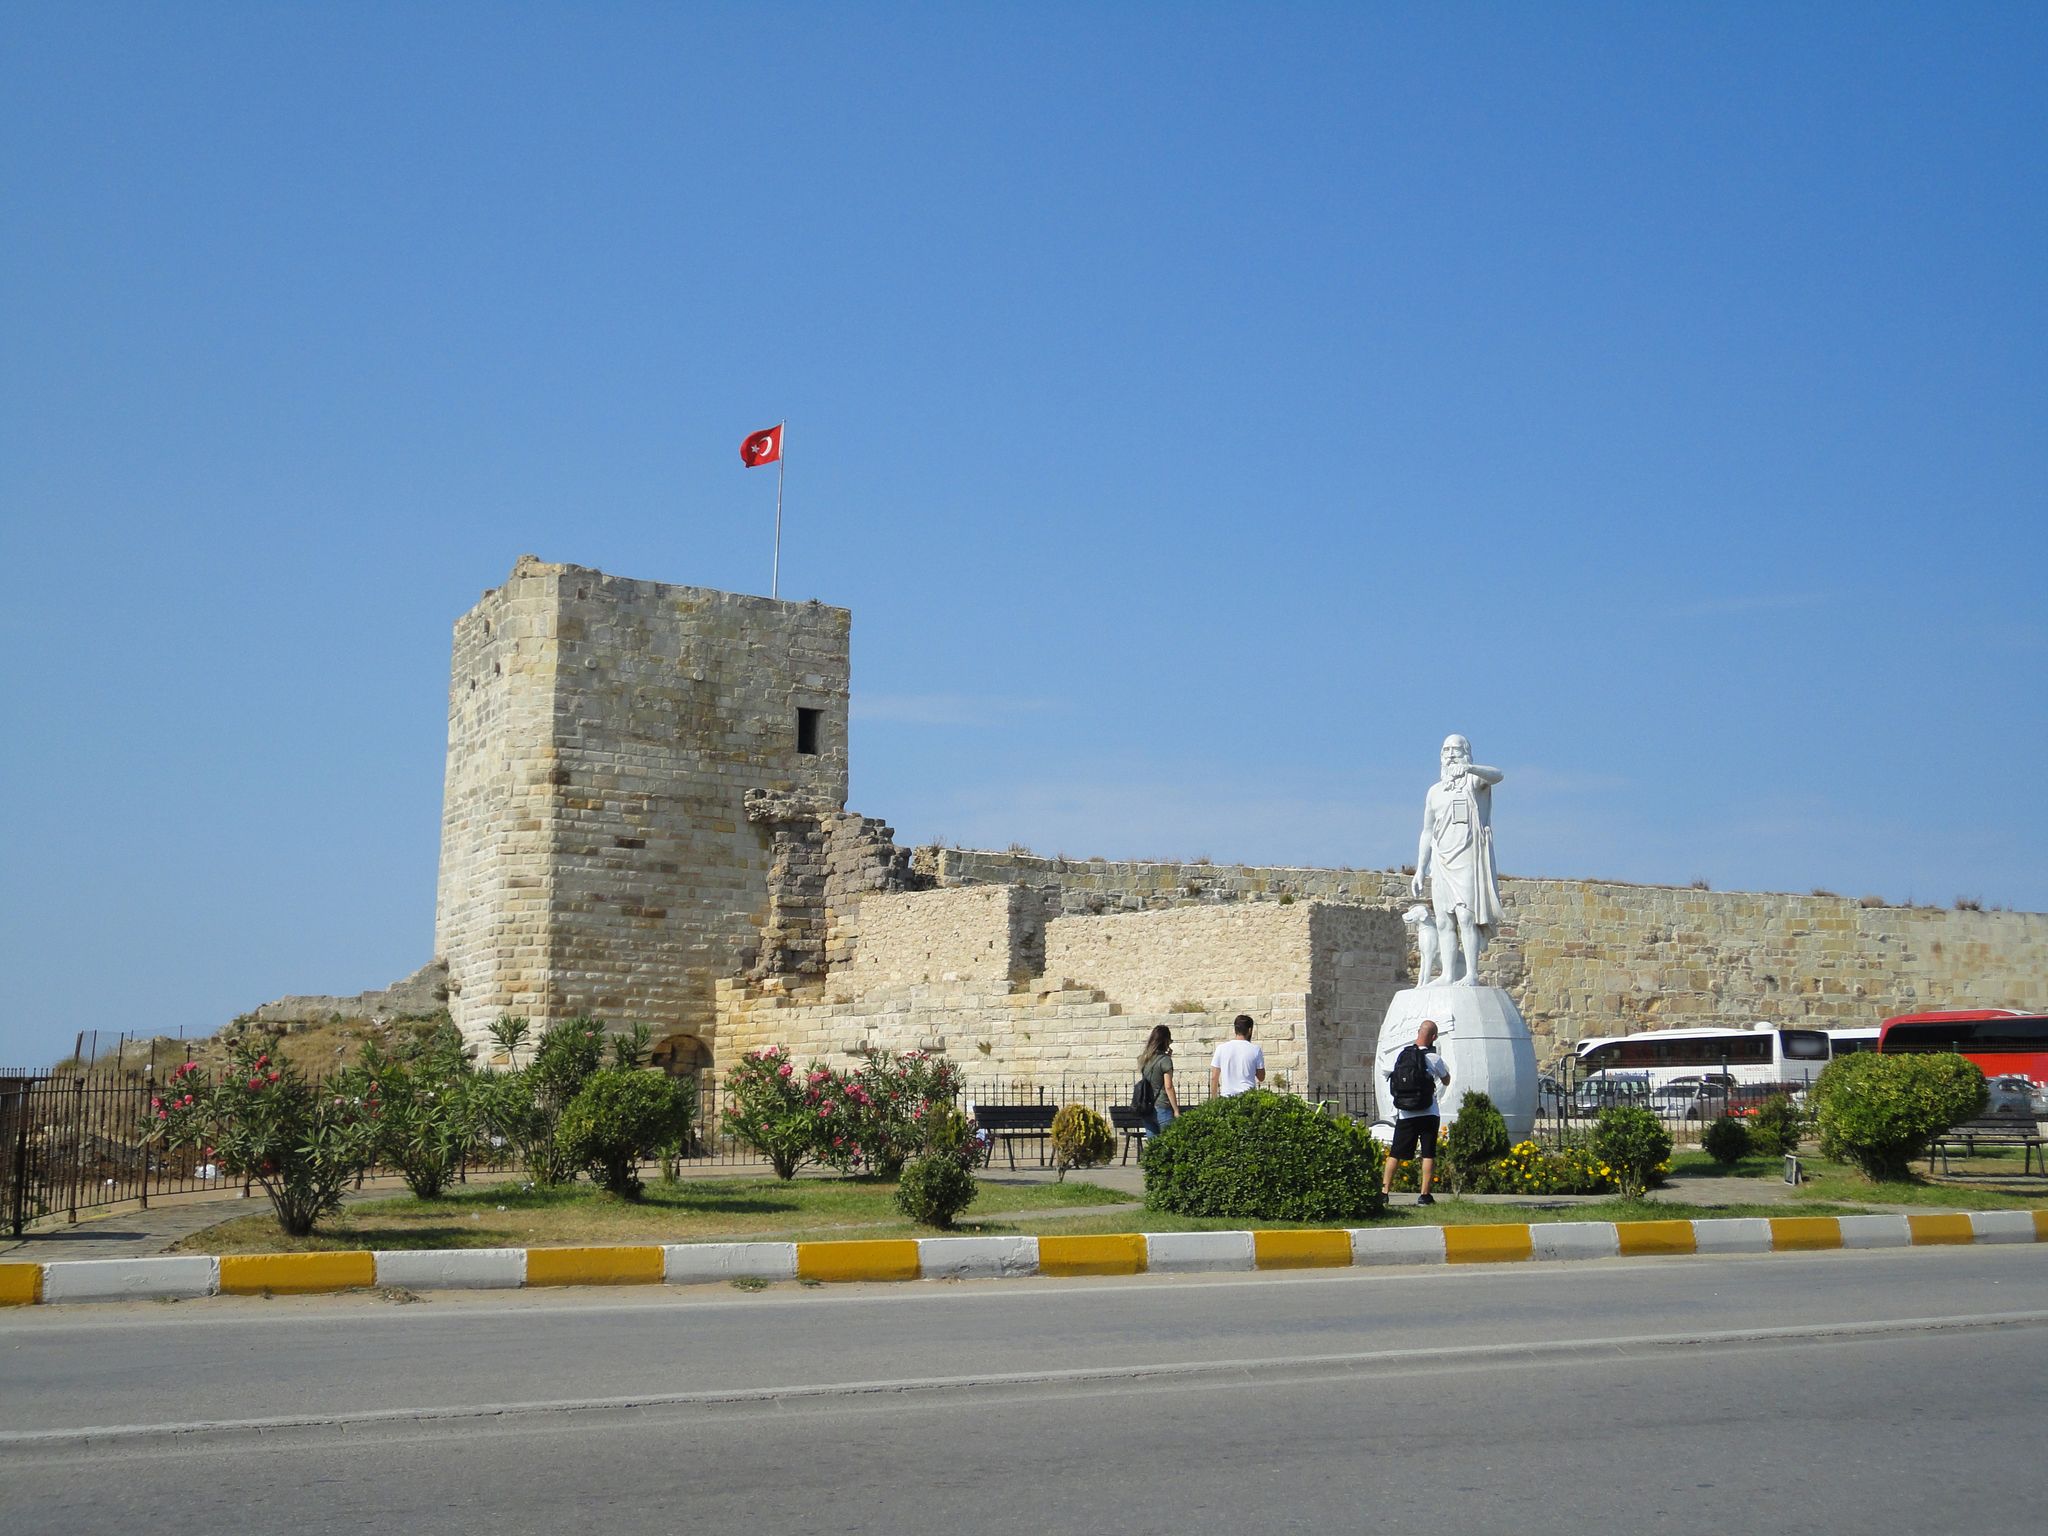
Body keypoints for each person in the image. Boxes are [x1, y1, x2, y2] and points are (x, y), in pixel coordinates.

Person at [1412, 733, 1505, 985]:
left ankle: (1472, 973)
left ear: (1466, 753)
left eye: (1456, 749)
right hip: (1442, 859)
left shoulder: (1474, 781)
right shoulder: (1434, 792)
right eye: (1446, 750)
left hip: (1467, 857)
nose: (1451, 755)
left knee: (1466, 917)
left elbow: (1498, 775)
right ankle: (1448, 974)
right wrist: (1420, 869)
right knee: (1444, 920)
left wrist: (1470, 769)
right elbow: (1427, 831)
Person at [1381, 1019, 1452, 1205]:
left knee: (1395, 1153)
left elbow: (1387, 1073)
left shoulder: (1402, 1055)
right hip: (1428, 1112)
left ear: (1418, 1033)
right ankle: (1424, 1195)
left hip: (1406, 1113)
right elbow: (1446, 1079)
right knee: (1428, 1153)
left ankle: (1384, 1192)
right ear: (1434, 1037)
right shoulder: (1433, 1058)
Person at [1137, 1024, 1182, 1134]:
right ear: (1165, 1041)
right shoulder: (1165, 1060)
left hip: (1147, 1107)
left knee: (1152, 1143)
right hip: (1162, 1107)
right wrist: (1176, 1110)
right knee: (1168, 1142)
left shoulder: (1145, 1059)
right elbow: (1168, 1086)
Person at [1209, 1014, 1266, 1097]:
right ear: (1250, 1030)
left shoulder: (1221, 1048)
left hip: (1227, 1097)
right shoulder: (1255, 1049)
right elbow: (1261, 1077)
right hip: (1248, 1097)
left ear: (1235, 1029)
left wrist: (1214, 1099)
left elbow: (1214, 1077)